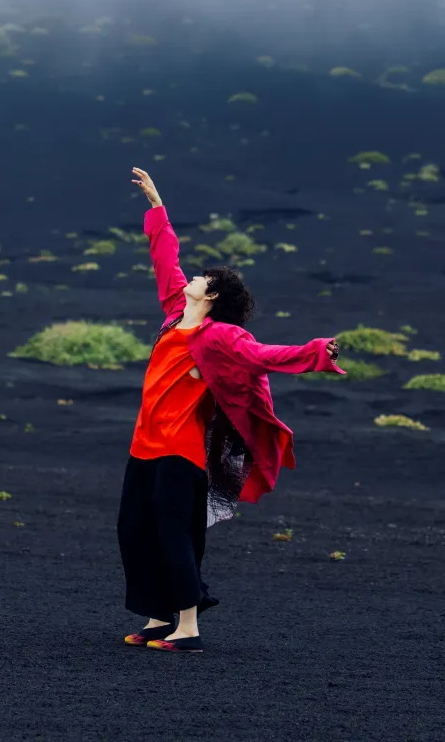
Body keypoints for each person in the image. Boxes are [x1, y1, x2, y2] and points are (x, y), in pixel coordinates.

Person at [117, 167, 345, 653]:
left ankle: (188, 628)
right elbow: (165, 259)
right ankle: (160, 617)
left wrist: (317, 351)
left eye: (202, 278)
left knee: (177, 534)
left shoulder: (218, 336)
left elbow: (265, 355)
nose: (193, 278)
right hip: (144, 444)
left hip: (180, 449)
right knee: (135, 528)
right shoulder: (175, 313)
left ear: (213, 294)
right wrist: (157, 208)